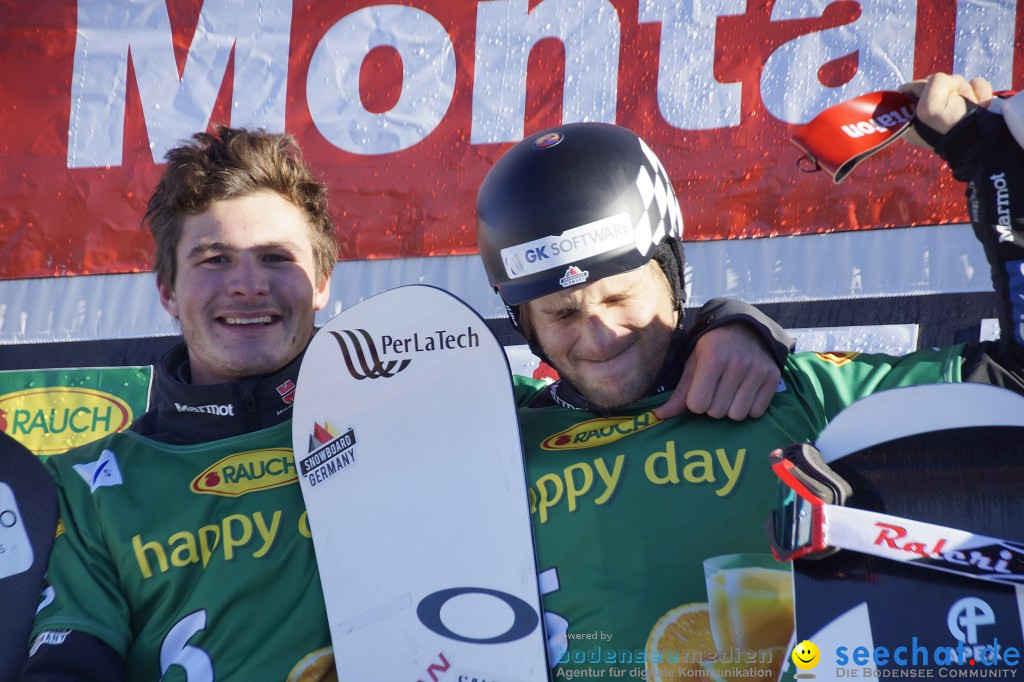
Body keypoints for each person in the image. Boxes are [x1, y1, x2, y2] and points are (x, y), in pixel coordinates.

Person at [17, 126, 789, 680]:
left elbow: (616, 380)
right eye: (213, 260)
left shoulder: (450, 403)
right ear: (167, 290)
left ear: (323, 282)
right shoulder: (95, 487)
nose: (246, 284)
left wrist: (725, 326)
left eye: (276, 259)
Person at [474, 73, 1024, 678]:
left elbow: (1013, 384)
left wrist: (994, 173)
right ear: (522, 322)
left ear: (672, 270)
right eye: (561, 315)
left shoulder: (794, 392)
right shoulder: (493, 428)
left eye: (620, 297)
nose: (599, 336)